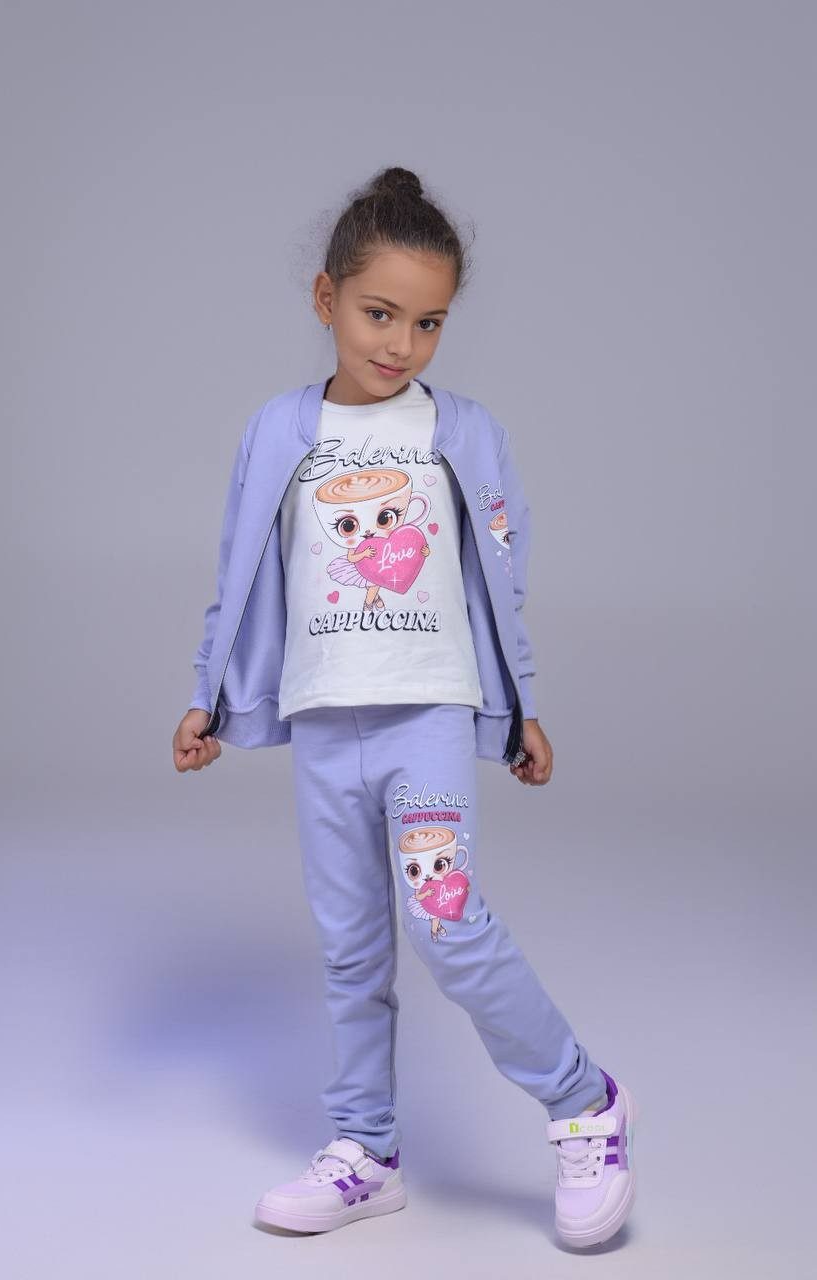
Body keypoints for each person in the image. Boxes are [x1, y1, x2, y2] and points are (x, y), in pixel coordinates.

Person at [171, 166, 637, 1248]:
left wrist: (519, 704)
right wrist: (206, 694)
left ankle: (583, 1101)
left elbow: (501, 579)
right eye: (380, 314)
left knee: (446, 921)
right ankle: (365, 1152)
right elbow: (237, 570)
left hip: (425, 711)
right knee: (349, 947)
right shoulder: (277, 431)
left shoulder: (462, 432)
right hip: (323, 717)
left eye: (428, 323)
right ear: (325, 297)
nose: (402, 344)